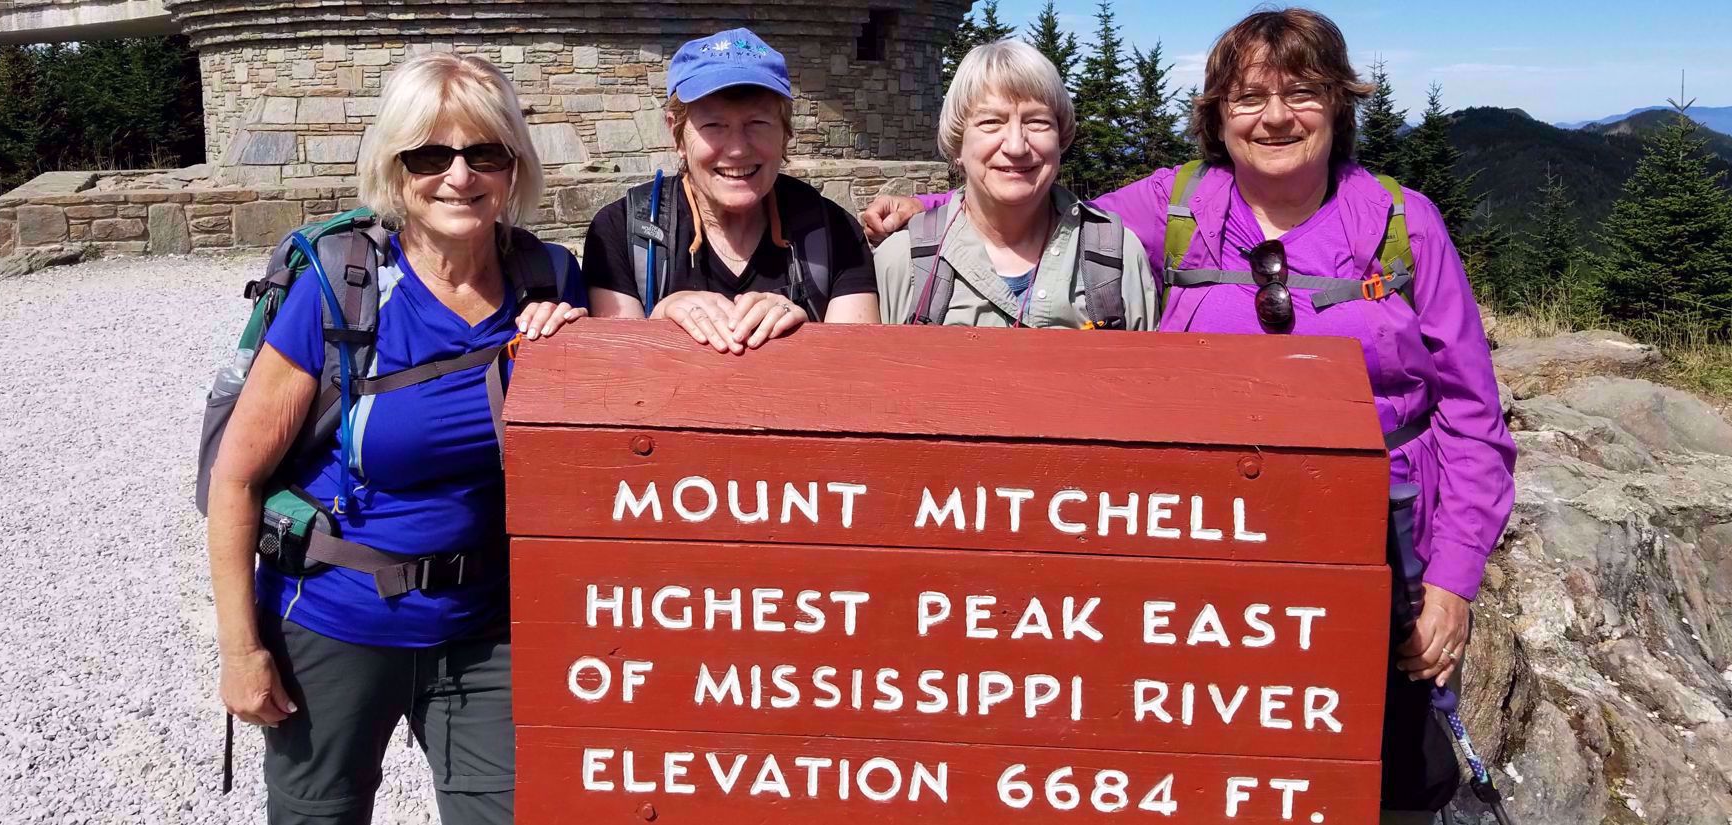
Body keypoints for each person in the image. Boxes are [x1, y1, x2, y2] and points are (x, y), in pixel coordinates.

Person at [867, 9, 1515, 822]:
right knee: (1226, 762)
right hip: (1216, 556)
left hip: (1380, 547)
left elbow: (1473, 418)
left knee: (1393, 776)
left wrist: (1453, 581)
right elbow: (1040, 211)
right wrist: (925, 208)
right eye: (1248, 97)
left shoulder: (1401, 223)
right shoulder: (1175, 206)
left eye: (1301, 92)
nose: (1276, 116)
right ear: (1217, 114)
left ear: (1339, 105)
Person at [205, 53, 585, 824]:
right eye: (430, 154)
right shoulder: (341, 288)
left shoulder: (552, 282)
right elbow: (235, 479)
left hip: (487, 627)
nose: (459, 175)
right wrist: (241, 651)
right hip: (336, 621)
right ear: (394, 165)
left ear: (513, 164)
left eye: (485, 152)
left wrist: (586, 352)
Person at [582, 28, 878, 353]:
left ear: (785, 132)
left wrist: (803, 337)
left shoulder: (837, 235)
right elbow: (618, 385)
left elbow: (855, 378)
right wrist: (660, 319)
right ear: (677, 134)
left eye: (758, 124)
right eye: (713, 126)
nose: (737, 149)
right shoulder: (621, 234)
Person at [875, 39, 1156, 329]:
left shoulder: (1117, 257)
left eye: (1037, 122)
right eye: (991, 122)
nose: (1016, 145)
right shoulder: (901, 263)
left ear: (1061, 139)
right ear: (957, 145)